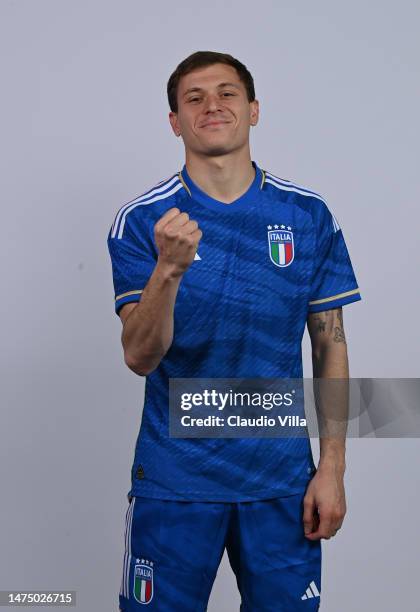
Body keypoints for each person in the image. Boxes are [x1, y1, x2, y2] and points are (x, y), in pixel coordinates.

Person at [107, 50, 361, 612]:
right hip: (175, 481)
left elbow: (330, 345)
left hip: (281, 483)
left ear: (253, 110)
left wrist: (333, 469)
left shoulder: (308, 214)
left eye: (227, 93)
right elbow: (140, 357)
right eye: (193, 98)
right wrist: (168, 268)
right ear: (175, 122)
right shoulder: (144, 220)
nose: (212, 105)